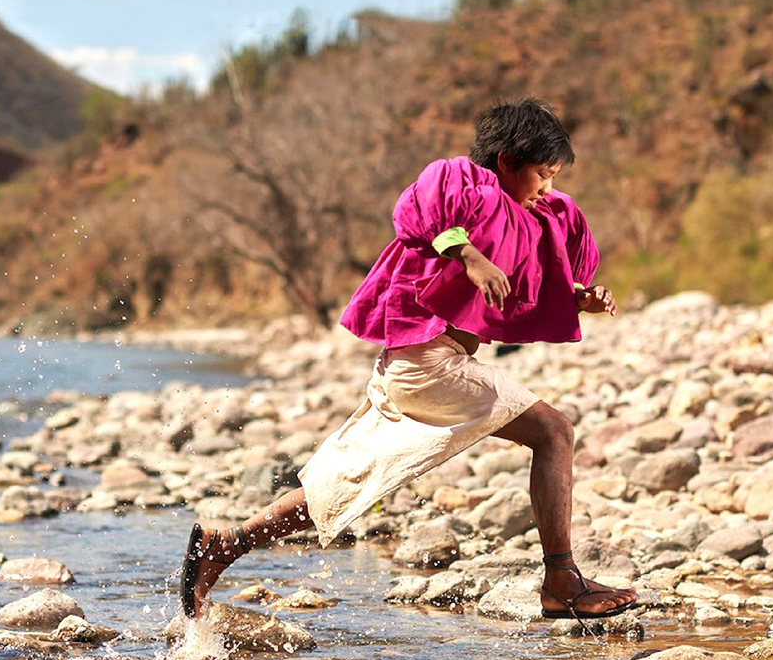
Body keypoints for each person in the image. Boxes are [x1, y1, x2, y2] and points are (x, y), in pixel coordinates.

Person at [180, 97, 637, 625]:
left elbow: (535, 283)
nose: (547, 189)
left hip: (411, 369)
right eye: (540, 173)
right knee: (553, 432)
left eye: (553, 177)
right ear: (507, 160)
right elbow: (422, 217)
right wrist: (468, 256)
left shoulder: (521, 216)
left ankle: (223, 544)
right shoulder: (461, 184)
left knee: (343, 484)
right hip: (427, 365)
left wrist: (581, 296)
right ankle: (561, 580)